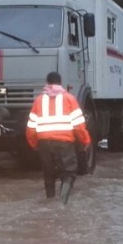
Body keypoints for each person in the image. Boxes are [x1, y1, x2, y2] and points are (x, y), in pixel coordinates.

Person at [26, 72, 91, 204]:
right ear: (60, 83)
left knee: (48, 175)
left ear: (47, 83)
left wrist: (35, 145)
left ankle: (50, 203)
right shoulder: (69, 99)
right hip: (65, 143)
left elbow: (30, 129)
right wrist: (85, 141)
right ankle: (62, 204)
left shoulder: (38, 100)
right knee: (69, 173)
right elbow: (79, 126)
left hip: (44, 143)